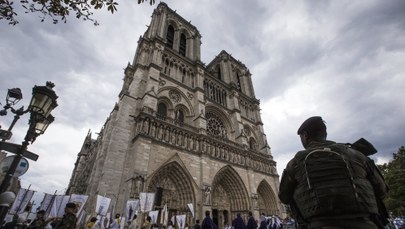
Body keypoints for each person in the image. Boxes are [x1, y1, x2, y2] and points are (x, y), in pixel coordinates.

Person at [278, 116, 389, 229]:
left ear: (305, 136)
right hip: (364, 224)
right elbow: (382, 191)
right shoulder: (357, 155)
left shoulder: (295, 163)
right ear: (324, 134)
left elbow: (284, 198)